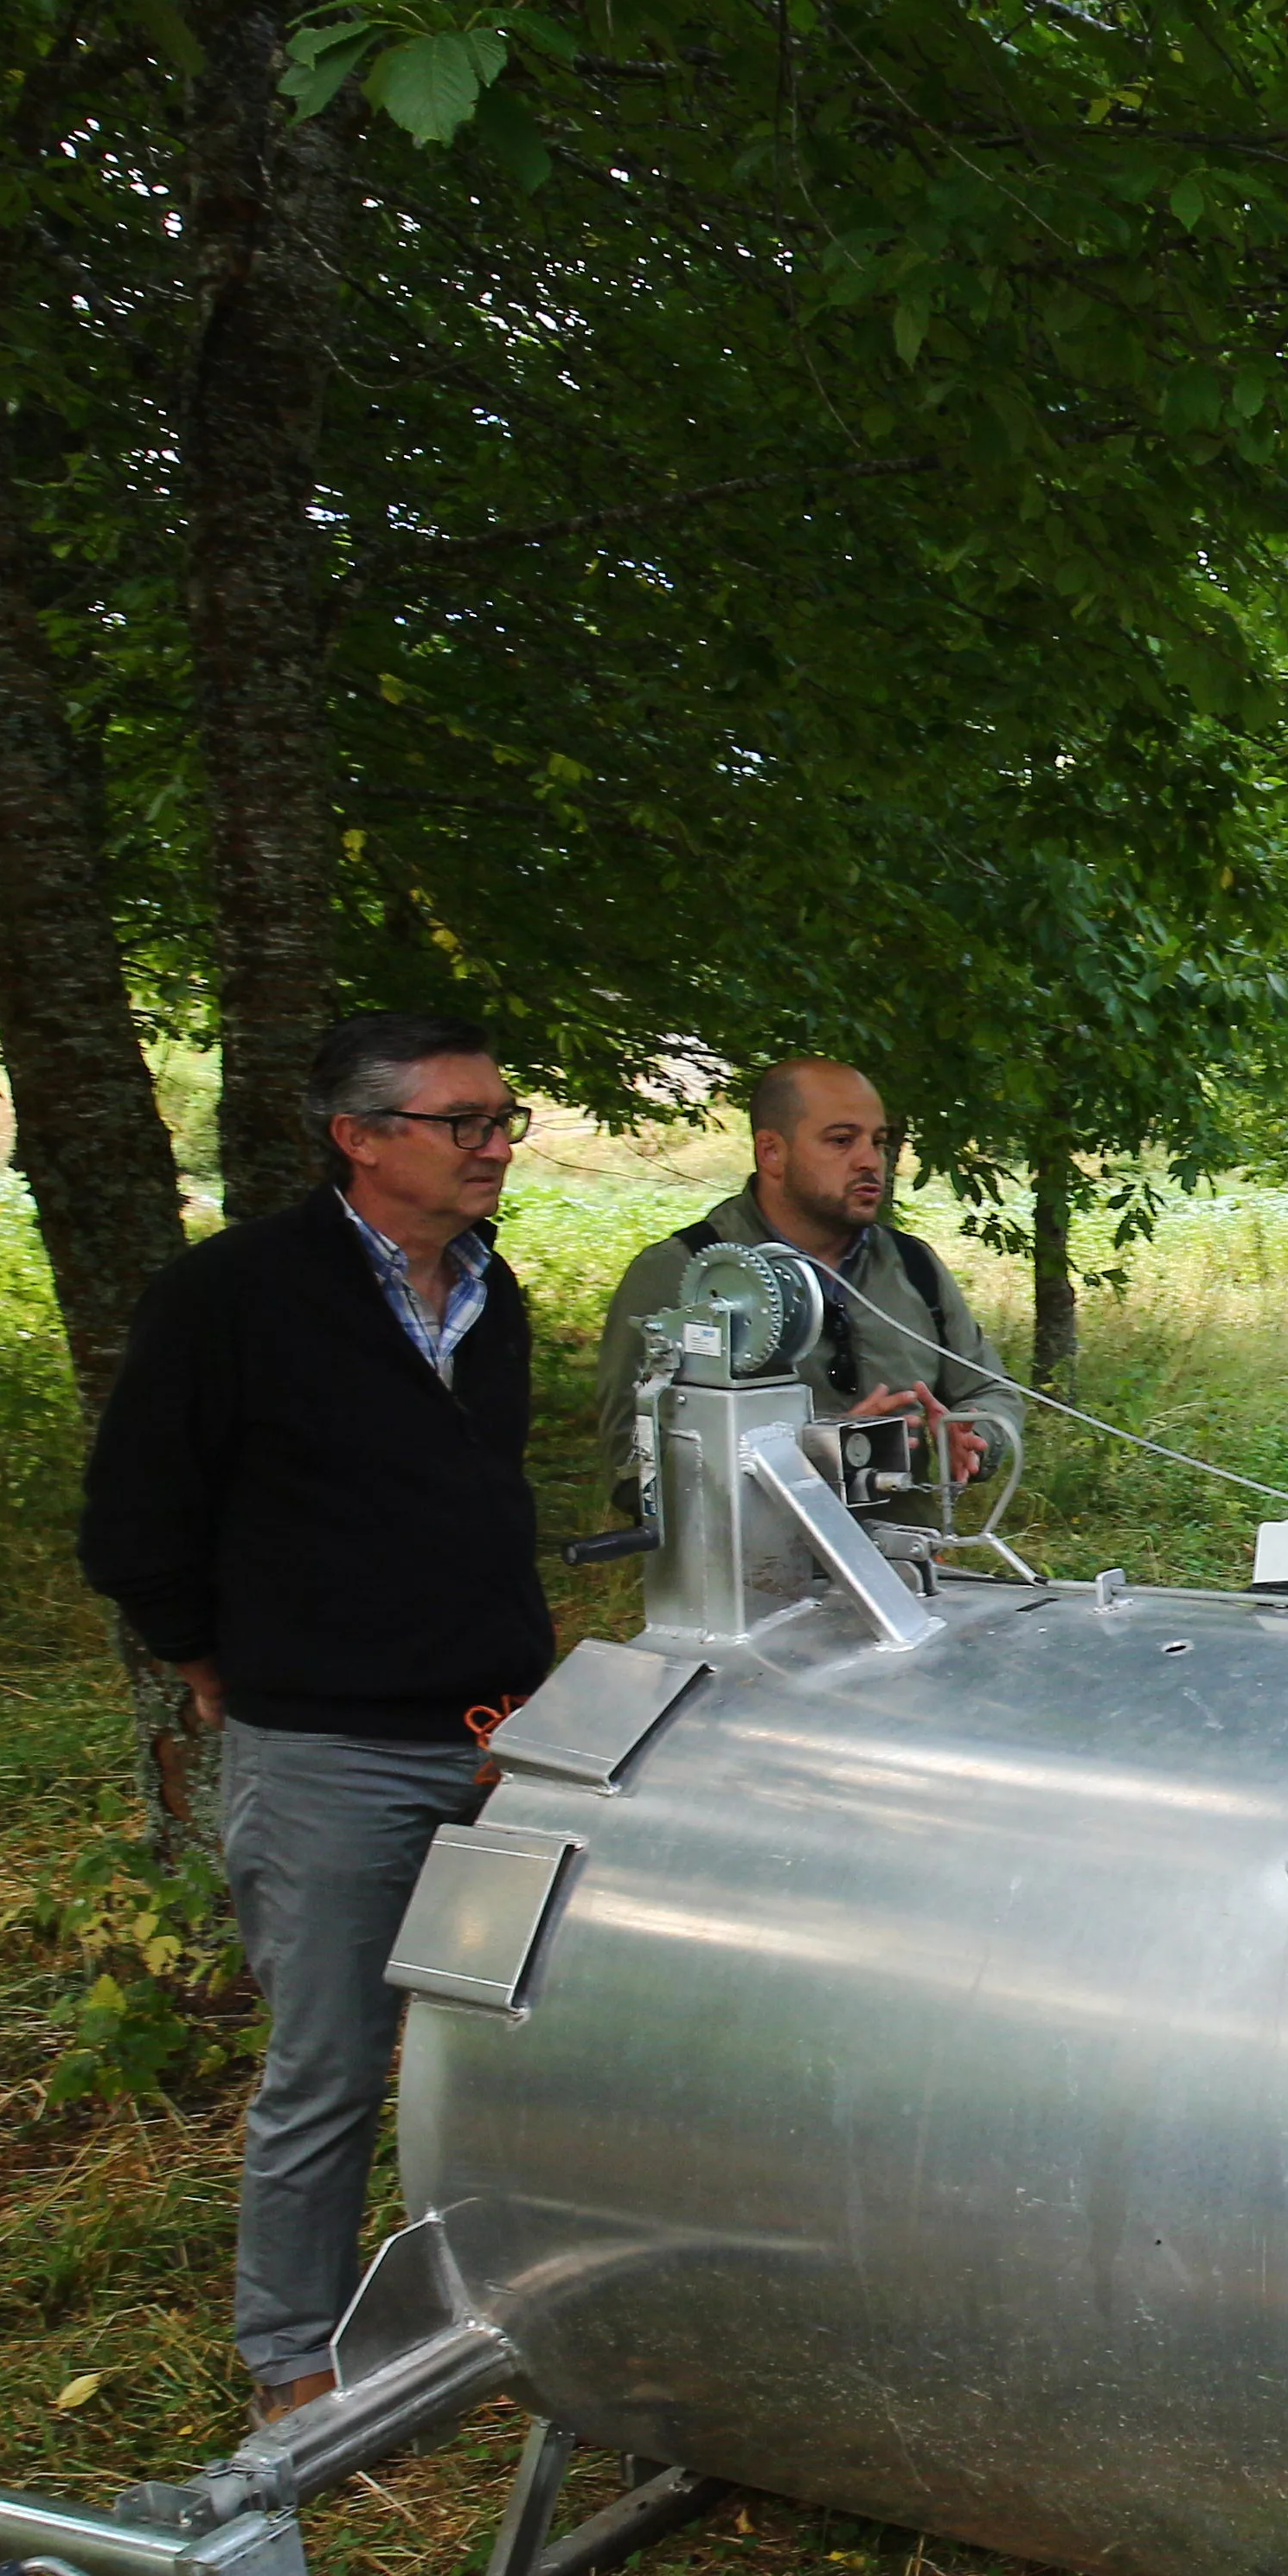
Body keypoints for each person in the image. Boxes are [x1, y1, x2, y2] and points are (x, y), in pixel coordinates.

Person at [78, 1012, 558, 2422]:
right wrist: (212, 1664)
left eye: (500, 1117)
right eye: (460, 1122)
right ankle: (294, 2356)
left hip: (502, 1736)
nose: (494, 1145)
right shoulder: (235, 1297)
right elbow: (132, 1521)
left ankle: (515, 2298)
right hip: (330, 1751)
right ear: (359, 1139)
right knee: (333, 2061)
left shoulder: (491, 1292)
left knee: (526, 2038)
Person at [593, 1058, 1012, 1526]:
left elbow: (990, 1389)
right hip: (754, 1586)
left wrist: (973, 1433)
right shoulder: (686, 1273)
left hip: (905, 1577)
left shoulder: (913, 1267)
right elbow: (630, 1467)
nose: (870, 1161)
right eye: (841, 1140)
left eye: (879, 1141)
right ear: (772, 1152)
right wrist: (811, 1460)